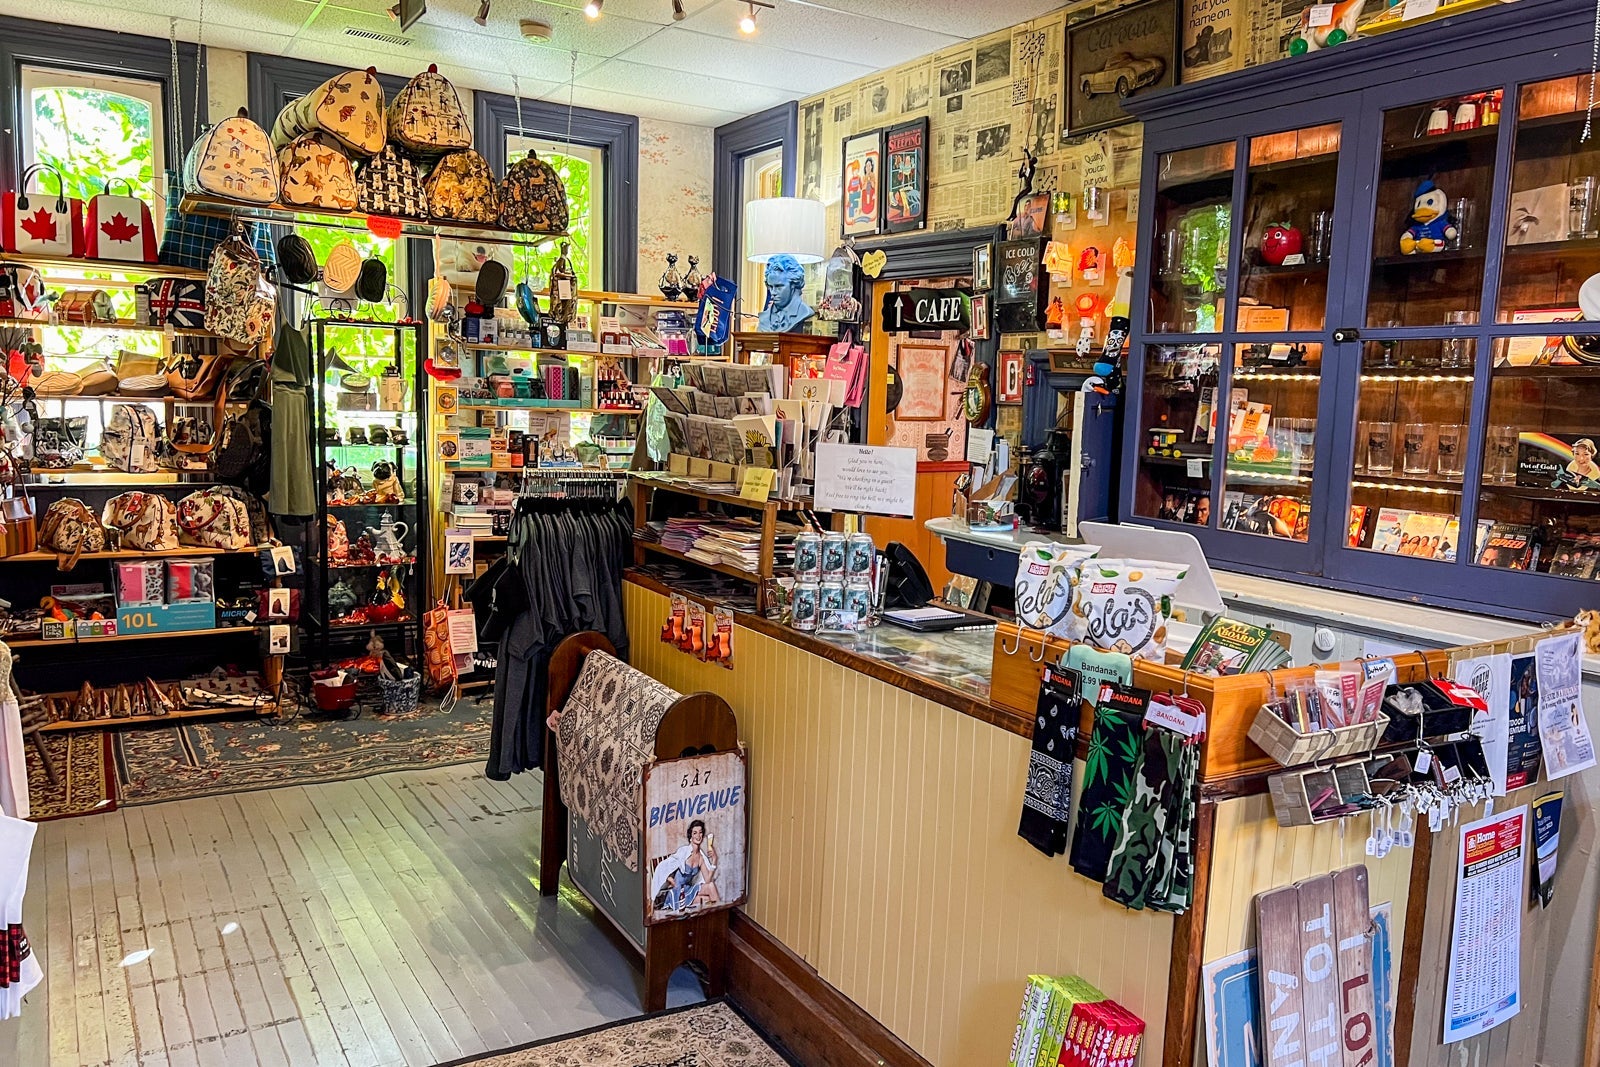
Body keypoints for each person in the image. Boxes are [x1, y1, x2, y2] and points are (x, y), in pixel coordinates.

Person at [649, 819, 720, 914]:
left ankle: (719, 915)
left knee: (710, 890)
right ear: (691, 836)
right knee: (709, 898)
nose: (698, 836)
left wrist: (714, 860)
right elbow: (662, 868)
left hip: (688, 890)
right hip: (677, 894)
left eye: (700, 832)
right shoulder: (683, 852)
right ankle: (720, 914)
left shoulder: (701, 858)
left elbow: (707, 880)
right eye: (695, 833)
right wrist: (670, 879)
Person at [757, 254, 815, 332]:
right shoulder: (765, 318)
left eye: (779, 287)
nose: (773, 292)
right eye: (770, 287)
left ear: (793, 284)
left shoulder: (804, 313)